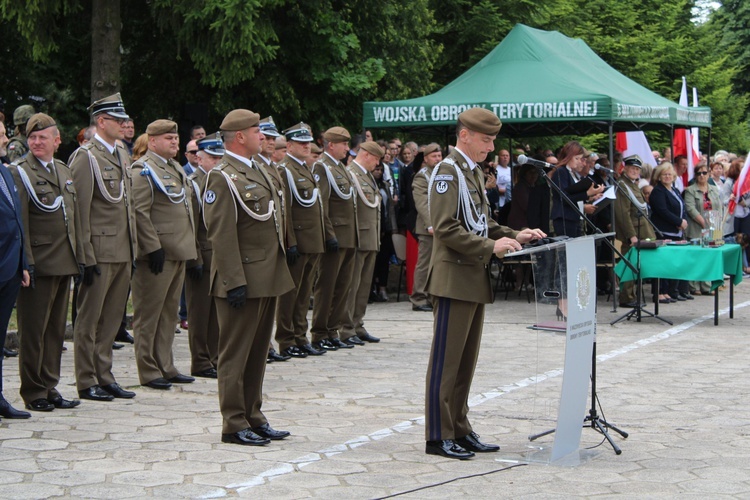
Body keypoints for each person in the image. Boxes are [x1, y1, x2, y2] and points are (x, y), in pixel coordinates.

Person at [424, 108, 545, 459]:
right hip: (453, 277)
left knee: (465, 360)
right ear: (465, 135)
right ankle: (438, 434)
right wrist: (492, 247)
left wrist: (513, 234)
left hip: (472, 275)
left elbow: (481, 220)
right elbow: (446, 228)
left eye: (492, 141)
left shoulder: (471, 172)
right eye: (486, 140)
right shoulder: (447, 173)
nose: (490, 148)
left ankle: (459, 427)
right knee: (446, 361)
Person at [202, 109, 294, 446]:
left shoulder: (260, 170)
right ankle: (233, 421)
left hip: (267, 275)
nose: (265, 137)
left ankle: (253, 414)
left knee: (257, 353)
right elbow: (220, 234)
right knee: (235, 353)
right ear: (240, 136)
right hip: (242, 278)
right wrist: (232, 280)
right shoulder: (222, 176)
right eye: (258, 131)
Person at [9, 113, 84, 412]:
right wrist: (26, 262)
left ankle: (49, 384)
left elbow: (73, 219)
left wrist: (81, 259)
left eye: (43, 137)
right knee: (33, 331)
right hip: (38, 262)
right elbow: (21, 223)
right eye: (32, 137)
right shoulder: (20, 172)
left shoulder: (64, 171)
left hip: (63, 260)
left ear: (57, 140)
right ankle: (33, 390)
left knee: (54, 331)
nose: (36, 142)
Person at [68, 93, 138, 401]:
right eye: (117, 119)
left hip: (122, 248)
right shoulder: (86, 157)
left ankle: (104, 374)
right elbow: (79, 210)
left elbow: (127, 203)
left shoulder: (121, 153)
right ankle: (86, 378)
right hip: (99, 250)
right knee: (89, 319)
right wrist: (85, 254)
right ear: (101, 122)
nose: (124, 124)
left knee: (111, 319)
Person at [130, 119, 197, 390]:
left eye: (176, 138)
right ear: (153, 141)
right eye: (168, 138)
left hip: (178, 250)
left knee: (169, 313)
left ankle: (165, 365)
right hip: (158, 254)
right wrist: (151, 246)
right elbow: (139, 212)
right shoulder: (143, 170)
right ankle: (148, 369)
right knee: (149, 314)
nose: (174, 143)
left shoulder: (172, 168)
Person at [274, 123, 330, 358]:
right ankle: (287, 339)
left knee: (304, 293)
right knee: (291, 295)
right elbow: (285, 209)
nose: (307, 146)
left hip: (313, 240)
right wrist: (291, 241)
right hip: (298, 240)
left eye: (308, 142)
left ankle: (300, 335)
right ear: (288, 146)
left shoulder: (305, 168)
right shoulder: (286, 170)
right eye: (301, 143)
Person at [310, 127, 359, 351]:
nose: (347, 149)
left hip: (348, 236)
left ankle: (332, 329)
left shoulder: (341, 168)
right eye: (344, 144)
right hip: (335, 236)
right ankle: (320, 332)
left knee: (342, 287)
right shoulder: (322, 167)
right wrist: (328, 235)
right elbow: (323, 205)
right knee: (327, 287)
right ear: (331, 145)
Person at [184, 134, 224, 379]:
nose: (218, 162)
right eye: (213, 158)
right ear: (199, 158)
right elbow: (192, 224)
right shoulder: (193, 183)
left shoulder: (218, 180)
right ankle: (200, 360)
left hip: (218, 255)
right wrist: (195, 257)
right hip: (203, 254)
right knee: (200, 313)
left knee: (216, 313)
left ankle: (215, 356)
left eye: (221, 157)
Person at [0, 119, 32, 420]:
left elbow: (16, 222)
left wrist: (22, 263)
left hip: (10, 265)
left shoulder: (6, 172)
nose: (5, 138)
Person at [339, 141, 385, 345]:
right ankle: (345, 327)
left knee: (363, 286)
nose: (377, 164)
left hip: (370, 237)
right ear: (366, 155)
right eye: (376, 158)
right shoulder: (351, 174)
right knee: (352, 285)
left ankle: (357, 323)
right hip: (358, 237)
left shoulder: (366, 176)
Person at [254, 116, 292, 363]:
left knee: (271, 300)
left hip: (276, 241)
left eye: (272, 138)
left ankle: (266, 345)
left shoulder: (272, 167)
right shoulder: (256, 165)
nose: (270, 142)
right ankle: (263, 346)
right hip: (261, 245)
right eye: (266, 137)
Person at [614, 155, 655, 307]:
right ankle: (626, 297)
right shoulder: (622, 185)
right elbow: (622, 214)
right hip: (632, 235)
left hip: (642, 231)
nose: (634, 171)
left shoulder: (632, 185)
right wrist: (631, 235)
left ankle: (632, 296)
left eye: (637, 169)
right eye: (632, 168)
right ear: (625, 168)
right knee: (629, 265)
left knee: (636, 265)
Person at [649, 162, 690, 302]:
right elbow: (662, 211)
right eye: (664, 174)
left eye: (669, 174)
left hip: (676, 232)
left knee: (672, 263)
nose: (667, 177)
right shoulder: (658, 191)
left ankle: (668, 291)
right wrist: (678, 222)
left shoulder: (675, 190)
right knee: (662, 262)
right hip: (663, 232)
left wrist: (682, 221)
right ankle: (659, 291)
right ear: (659, 177)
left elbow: (682, 207)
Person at [409, 143, 442, 311]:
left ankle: (430, 295)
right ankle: (419, 298)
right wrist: (430, 224)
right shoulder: (422, 176)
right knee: (425, 263)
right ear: (426, 158)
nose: (437, 159)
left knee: (436, 263)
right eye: (434, 156)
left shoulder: (442, 174)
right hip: (427, 227)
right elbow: (421, 203)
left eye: (439, 156)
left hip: (441, 226)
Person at [550, 141, 604, 237]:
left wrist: (590, 196)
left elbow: (573, 195)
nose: (579, 161)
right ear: (568, 157)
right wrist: (587, 193)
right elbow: (564, 198)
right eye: (577, 158)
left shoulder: (572, 173)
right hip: (565, 218)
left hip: (573, 217)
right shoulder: (561, 171)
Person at [684, 164, 723, 295]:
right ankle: (694, 286)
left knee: (709, 257)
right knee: (696, 257)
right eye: (699, 173)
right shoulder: (690, 190)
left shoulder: (714, 189)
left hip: (713, 227)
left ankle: (707, 285)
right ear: (695, 175)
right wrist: (703, 221)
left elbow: (719, 207)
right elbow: (690, 208)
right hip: (697, 227)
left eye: (704, 173)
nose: (702, 175)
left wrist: (718, 224)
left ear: (709, 174)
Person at [371, 161, 397, 302]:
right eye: (376, 169)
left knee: (384, 260)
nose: (379, 172)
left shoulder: (385, 186)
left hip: (386, 228)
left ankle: (382, 288)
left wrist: (393, 229)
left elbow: (391, 209)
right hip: (374, 227)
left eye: (381, 169)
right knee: (373, 261)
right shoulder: (368, 183)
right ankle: (372, 289)